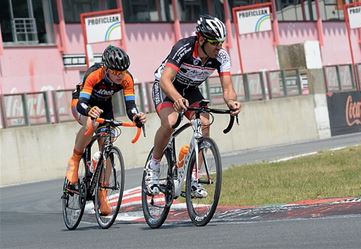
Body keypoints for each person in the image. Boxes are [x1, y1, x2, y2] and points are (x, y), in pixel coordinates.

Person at [145, 15, 241, 197]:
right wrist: (176, 99)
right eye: (214, 42)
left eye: (221, 42)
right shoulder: (184, 48)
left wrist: (231, 102)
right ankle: (154, 166)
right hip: (167, 87)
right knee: (171, 122)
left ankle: (193, 177)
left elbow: (228, 88)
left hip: (190, 90)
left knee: (204, 123)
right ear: (202, 39)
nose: (219, 46)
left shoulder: (221, 56)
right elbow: (165, 79)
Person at [65, 45, 147, 215]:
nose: (120, 75)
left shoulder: (127, 79)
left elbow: (130, 106)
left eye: (123, 71)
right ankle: (74, 160)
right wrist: (89, 111)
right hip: (82, 103)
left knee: (108, 144)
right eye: (116, 72)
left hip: (104, 105)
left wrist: (136, 117)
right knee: (91, 124)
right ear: (106, 68)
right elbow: (81, 104)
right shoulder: (95, 74)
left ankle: (102, 193)